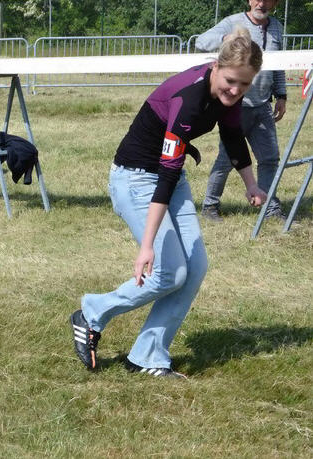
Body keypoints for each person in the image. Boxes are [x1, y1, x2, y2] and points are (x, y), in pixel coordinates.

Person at [70, 27, 267, 377]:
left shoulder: (228, 97)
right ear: (216, 68)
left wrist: (251, 184)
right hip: (136, 178)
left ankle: (147, 356)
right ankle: (92, 312)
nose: (236, 91)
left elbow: (233, 136)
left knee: (195, 268)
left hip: (169, 178)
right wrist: (147, 246)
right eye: (231, 81)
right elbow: (166, 172)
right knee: (167, 272)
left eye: (245, 85)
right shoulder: (189, 100)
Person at [196, 0, 287, 221]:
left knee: (269, 159)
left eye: (268, 0)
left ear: (275, 3)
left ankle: (269, 208)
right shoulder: (232, 22)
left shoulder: (277, 27)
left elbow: (279, 64)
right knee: (226, 160)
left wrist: (282, 95)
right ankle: (210, 206)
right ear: (249, 0)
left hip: (263, 106)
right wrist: (225, 39)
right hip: (235, 107)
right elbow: (201, 41)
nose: (262, 3)